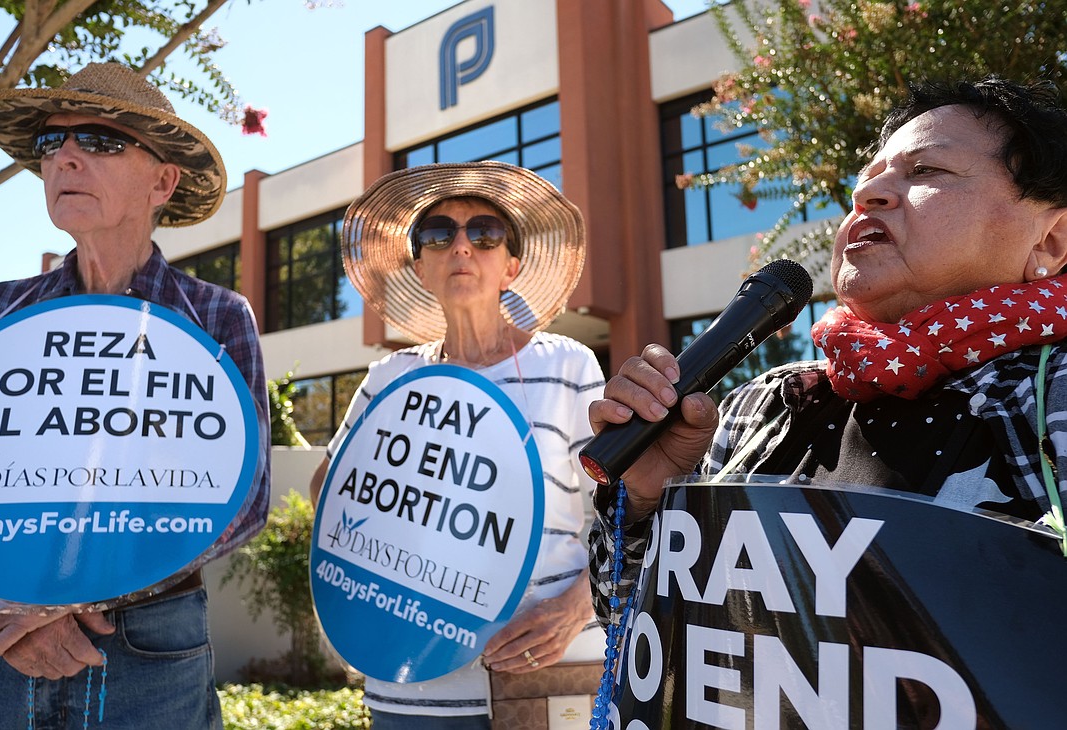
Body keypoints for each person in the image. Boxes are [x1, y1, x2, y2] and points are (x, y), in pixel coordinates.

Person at [588, 76, 1067, 623]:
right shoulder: (761, 408)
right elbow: (635, 634)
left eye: (926, 170)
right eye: (866, 179)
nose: (866, 195)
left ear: (1048, 241)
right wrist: (651, 502)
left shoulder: (1052, 395)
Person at [0, 63, 270, 728]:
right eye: (52, 143)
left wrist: (66, 594)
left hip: (148, 646)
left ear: (163, 181)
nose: (66, 156)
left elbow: (245, 502)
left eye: (99, 141)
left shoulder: (217, 318)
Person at [309, 160, 605, 728]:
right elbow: (331, 490)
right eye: (438, 235)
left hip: (546, 672)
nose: (462, 247)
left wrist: (577, 607)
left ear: (511, 266)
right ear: (421, 266)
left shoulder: (568, 367)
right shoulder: (390, 379)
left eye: (485, 234)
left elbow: (624, 509)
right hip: (412, 686)